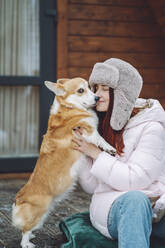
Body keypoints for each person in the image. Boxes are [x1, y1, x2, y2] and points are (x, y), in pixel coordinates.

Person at [72, 58, 165, 248]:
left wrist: (96, 153)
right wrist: (79, 151)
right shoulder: (101, 126)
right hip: (112, 207)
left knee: (139, 200)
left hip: (155, 208)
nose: (97, 95)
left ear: (122, 93)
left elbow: (136, 178)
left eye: (105, 88)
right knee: (135, 200)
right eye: (95, 88)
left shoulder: (151, 127)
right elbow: (91, 186)